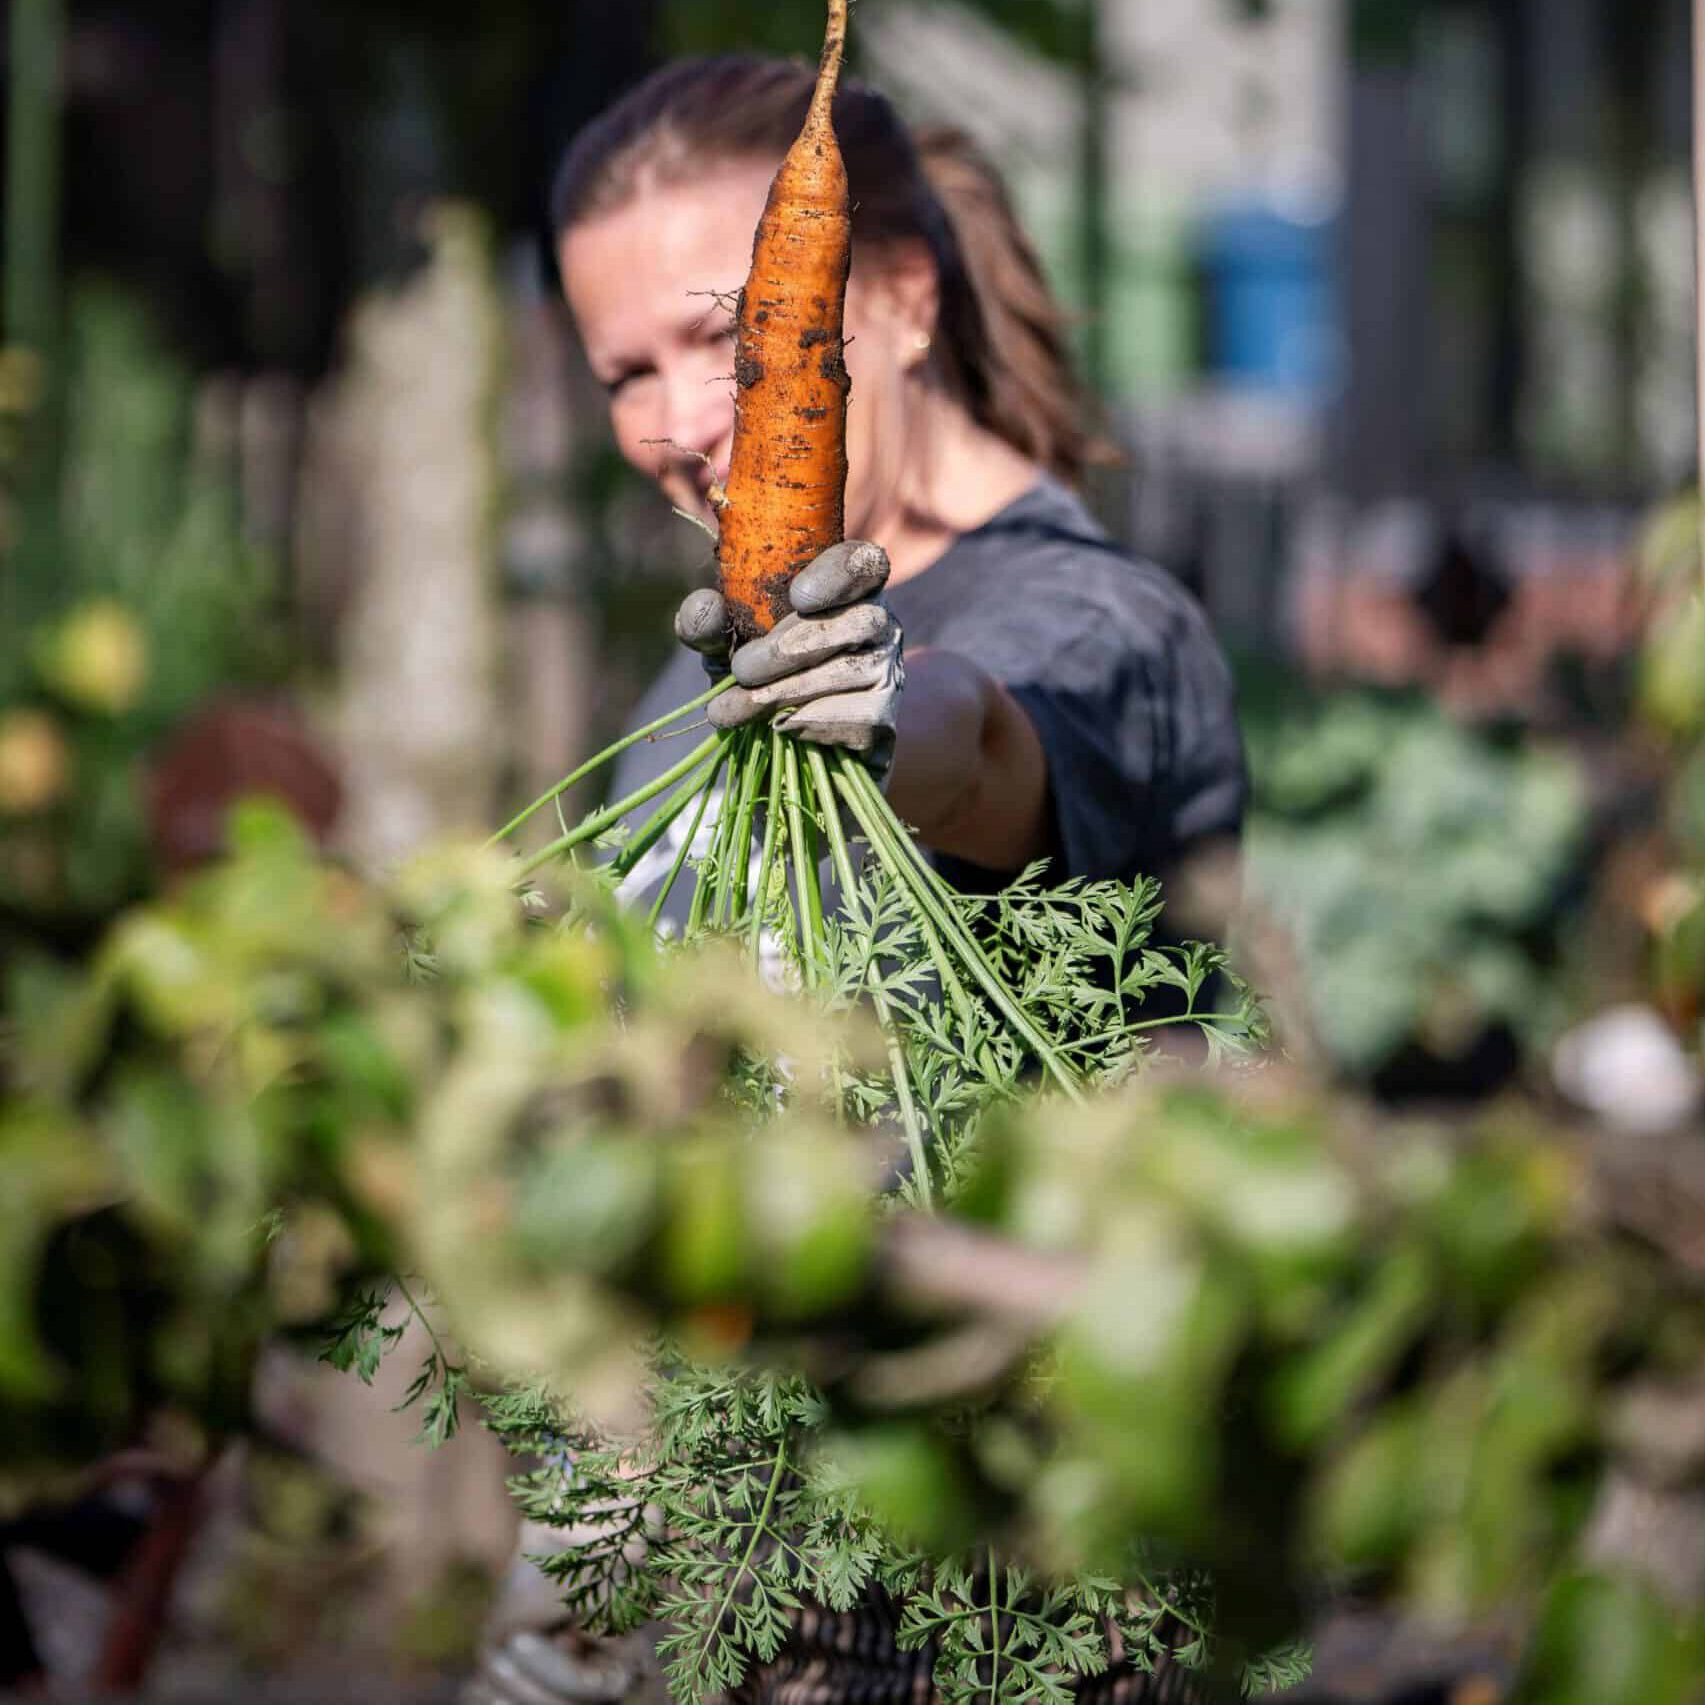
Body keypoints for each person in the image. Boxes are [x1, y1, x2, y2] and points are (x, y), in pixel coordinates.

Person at [465, 53, 1244, 1705]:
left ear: (887, 302)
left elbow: (986, 747)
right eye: (625, 371)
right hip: (729, 1593)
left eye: (721, 336)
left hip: (986, 1605)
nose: (678, 422)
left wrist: (891, 712)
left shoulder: (1101, 624)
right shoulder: (705, 671)